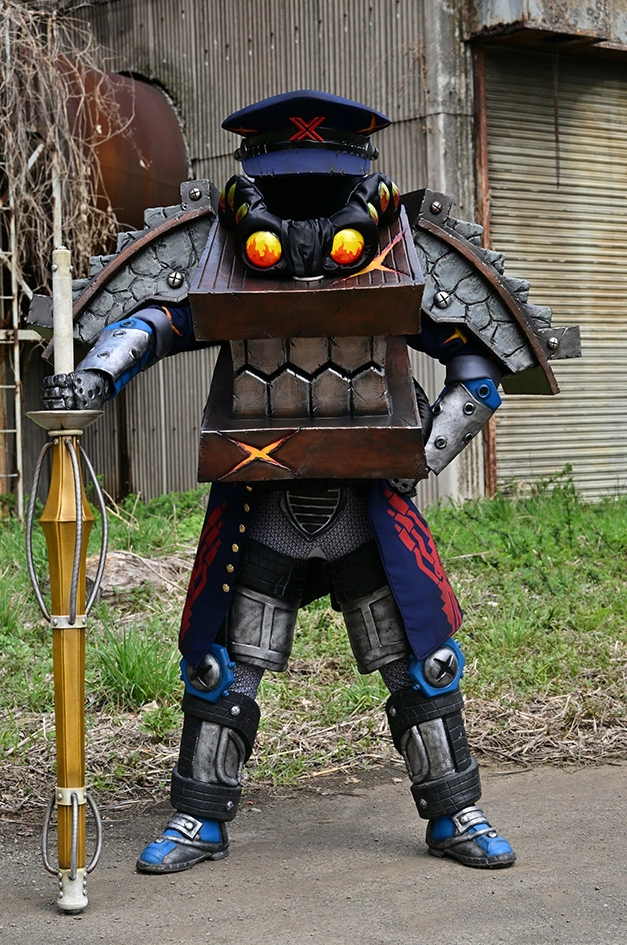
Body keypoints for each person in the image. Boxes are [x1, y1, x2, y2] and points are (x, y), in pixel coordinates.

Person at [43, 90, 517, 874]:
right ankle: (199, 817)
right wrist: (95, 378)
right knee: (220, 666)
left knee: (422, 661)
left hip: (368, 506)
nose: (304, 221)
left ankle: (454, 810)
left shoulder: (404, 254)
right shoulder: (220, 257)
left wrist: (418, 457)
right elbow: (157, 321)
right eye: (287, 191)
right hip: (260, 505)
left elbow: (479, 364)